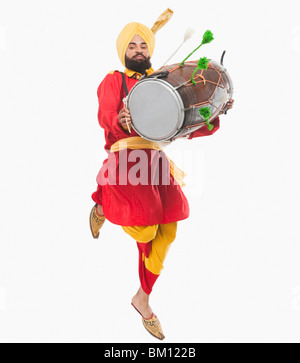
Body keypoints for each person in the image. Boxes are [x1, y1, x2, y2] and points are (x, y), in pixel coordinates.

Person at [90, 9, 234, 340]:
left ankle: (142, 298)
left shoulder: (164, 81)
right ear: (123, 50)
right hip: (126, 157)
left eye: (143, 45)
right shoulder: (113, 80)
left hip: (156, 161)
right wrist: (120, 119)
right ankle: (103, 203)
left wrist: (214, 112)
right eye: (132, 45)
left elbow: (184, 127)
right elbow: (105, 117)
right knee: (144, 230)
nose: (138, 50)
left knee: (167, 230)